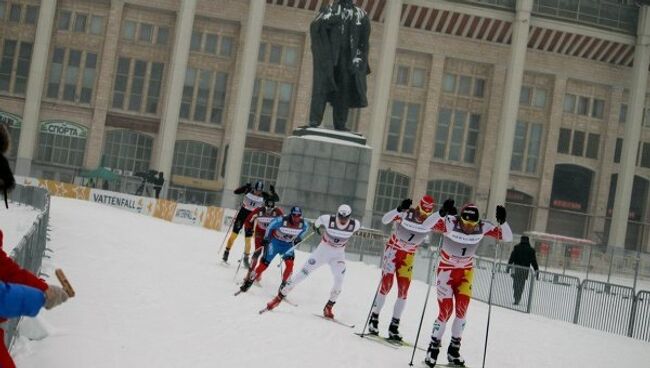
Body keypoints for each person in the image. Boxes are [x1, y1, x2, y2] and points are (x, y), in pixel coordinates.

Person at [423, 200, 513, 368]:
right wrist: (441, 213)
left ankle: (454, 350)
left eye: (472, 224)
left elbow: (508, 237)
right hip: (446, 271)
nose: (469, 228)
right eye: (465, 223)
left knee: (462, 311)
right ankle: (433, 347)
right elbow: (425, 225)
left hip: (465, 273)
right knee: (445, 311)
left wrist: (503, 221)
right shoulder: (450, 223)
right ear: (460, 219)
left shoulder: (483, 227)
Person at [264, 204, 361, 316]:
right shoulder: (328, 219)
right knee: (303, 273)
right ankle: (278, 298)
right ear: (337, 214)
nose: (343, 220)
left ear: (349, 216)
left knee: (339, 279)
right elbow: (318, 221)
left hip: (338, 254)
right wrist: (316, 227)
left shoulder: (355, 224)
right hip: (323, 250)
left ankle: (329, 306)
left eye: (346, 218)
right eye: (341, 217)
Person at [367, 195, 437, 341]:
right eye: (422, 212)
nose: (423, 216)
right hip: (393, 250)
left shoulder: (430, 221)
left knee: (403, 291)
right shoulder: (407, 213)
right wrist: (399, 209)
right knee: (386, 286)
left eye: (427, 214)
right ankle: (374, 319)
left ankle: (394, 326)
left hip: (408, 256)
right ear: (419, 207)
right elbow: (385, 220)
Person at [308, 0, 371, 131]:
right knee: (322, 88)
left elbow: (364, 43)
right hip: (330, 59)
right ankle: (314, 120)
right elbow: (315, 26)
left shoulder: (361, 15)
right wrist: (328, 20)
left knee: (344, 91)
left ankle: (340, 123)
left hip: (348, 61)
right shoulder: (330, 10)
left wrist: (358, 60)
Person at [239, 206, 309, 298]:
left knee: (290, 264)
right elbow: (271, 226)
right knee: (264, 264)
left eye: (298, 215)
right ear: (291, 215)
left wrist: (299, 237)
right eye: (294, 215)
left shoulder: (303, 224)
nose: (296, 217)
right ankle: (248, 282)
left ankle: (283, 287)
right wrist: (266, 238)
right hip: (275, 243)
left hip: (287, 245)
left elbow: (305, 230)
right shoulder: (281, 220)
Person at [222, 181, 279, 265]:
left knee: (248, 239)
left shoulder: (264, 195)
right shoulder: (248, 190)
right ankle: (226, 252)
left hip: (251, 218)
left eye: (259, 191)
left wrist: (273, 192)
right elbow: (236, 192)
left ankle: (246, 258)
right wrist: (244, 187)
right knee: (234, 235)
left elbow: (276, 199)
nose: (257, 193)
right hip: (242, 215)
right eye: (256, 190)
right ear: (254, 188)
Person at [242, 199, 284, 272]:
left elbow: (283, 223)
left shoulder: (278, 212)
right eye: (267, 209)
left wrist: (281, 234)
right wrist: (248, 228)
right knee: (258, 251)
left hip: (271, 235)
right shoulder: (259, 210)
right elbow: (249, 220)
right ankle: (250, 271)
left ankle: (257, 273)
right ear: (264, 206)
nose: (268, 211)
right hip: (260, 233)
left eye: (271, 209)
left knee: (266, 254)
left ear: (274, 207)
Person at [507, 235, 539, 305]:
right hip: (525, 271)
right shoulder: (531, 250)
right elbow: (534, 261)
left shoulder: (516, 248)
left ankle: (516, 297)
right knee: (521, 285)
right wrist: (537, 270)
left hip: (516, 269)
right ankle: (518, 297)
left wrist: (508, 267)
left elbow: (512, 258)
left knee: (515, 284)